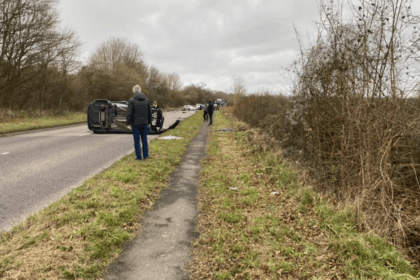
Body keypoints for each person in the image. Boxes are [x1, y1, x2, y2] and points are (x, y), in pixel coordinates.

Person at [126, 84, 152, 160]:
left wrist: (128, 123)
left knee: (137, 141)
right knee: (144, 139)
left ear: (133, 91)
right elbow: (149, 113)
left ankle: (139, 157)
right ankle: (146, 156)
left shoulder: (131, 100)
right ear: (140, 90)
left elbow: (129, 113)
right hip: (145, 123)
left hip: (135, 124)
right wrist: (149, 122)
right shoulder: (147, 100)